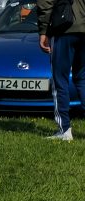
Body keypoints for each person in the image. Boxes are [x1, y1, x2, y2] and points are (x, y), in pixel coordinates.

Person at [37, 0, 85, 140]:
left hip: (64, 29)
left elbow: (45, 4)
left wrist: (43, 31)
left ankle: (64, 129)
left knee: (60, 80)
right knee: (82, 78)